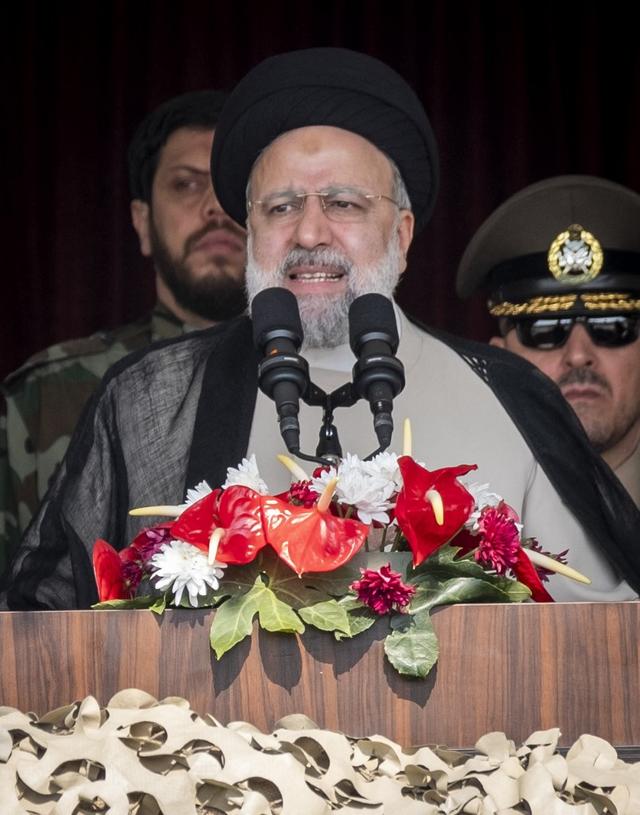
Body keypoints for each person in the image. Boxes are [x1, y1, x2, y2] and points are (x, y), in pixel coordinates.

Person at [2, 48, 639, 611]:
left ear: (403, 235)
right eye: (281, 207)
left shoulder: (510, 395)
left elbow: (600, 645)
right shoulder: (149, 401)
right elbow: (47, 630)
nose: (309, 234)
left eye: (343, 204)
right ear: (251, 235)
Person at [0, 90, 247, 575]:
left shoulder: (320, 386)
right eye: (186, 185)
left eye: (232, 186)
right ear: (142, 223)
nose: (215, 207)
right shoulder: (45, 397)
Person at [456, 175, 640, 507]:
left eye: (611, 327)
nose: (579, 354)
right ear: (499, 365)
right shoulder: (458, 515)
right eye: (545, 330)